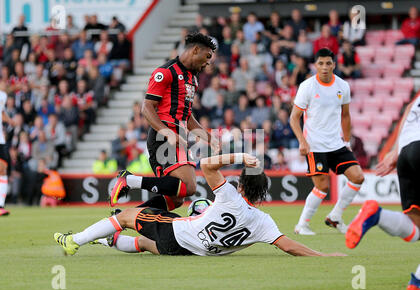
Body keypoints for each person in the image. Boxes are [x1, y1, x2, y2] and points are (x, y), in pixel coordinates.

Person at [53, 153, 345, 257]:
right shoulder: (264, 222)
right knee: (142, 243)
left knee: (127, 215)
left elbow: (205, 164)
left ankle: (74, 240)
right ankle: (107, 241)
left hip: (178, 235)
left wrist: (241, 156)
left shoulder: (230, 194)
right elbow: (288, 246)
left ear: (241, 185)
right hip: (190, 252)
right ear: (261, 195)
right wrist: (323, 255)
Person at [109, 33, 220, 211]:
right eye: (207, 57)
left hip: (178, 136)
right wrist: (167, 132)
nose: (208, 62)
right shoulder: (166, 72)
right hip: (164, 136)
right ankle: (128, 180)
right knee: (189, 186)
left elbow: (187, 116)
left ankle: (121, 220)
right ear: (195, 50)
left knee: (175, 200)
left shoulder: (193, 79)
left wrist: (208, 137)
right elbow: (146, 107)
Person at [345, 93, 420, 290]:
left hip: (406, 152)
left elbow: (409, 109)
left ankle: (378, 215)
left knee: (416, 225)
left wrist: (396, 151)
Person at [289, 48, 365, 235]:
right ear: (315, 65)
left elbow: (345, 116)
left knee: (358, 177)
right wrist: (302, 141)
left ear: (334, 65)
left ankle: (335, 216)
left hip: (336, 144)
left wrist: (346, 141)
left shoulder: (342, 86)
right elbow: (294, 117)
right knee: (322, 187)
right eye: (321, 63)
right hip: (314, 145)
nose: (324, 67)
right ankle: (302, 225)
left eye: (328, 63)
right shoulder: (307, 86)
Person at [0, 83, 14, 216]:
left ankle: (0, 205)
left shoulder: (3, 95)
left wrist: (9, 121)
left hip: (1, 140)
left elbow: (2, 112)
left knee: (3, 169)